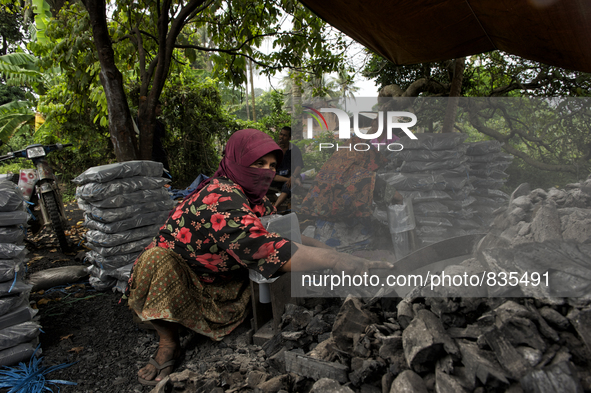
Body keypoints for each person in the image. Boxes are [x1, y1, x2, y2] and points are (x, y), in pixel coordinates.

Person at [127, 128, 384, 386]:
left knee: (281, 271)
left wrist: (328, 250)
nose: (266, 171)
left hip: (221, 279)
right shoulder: (220, 194)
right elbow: (260, 245)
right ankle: (168, 341)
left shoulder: (255, 199)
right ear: (235, 159)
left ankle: (190, 318)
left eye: (272, 165)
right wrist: (335, 261)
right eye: (258, 163)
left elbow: (280, 230)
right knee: (155, 259)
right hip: (180, 279)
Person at [270, 126, 304, 208]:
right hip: (277, 176)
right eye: (281, 134)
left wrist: (293, 176)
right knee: (266, 178)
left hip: (290, 174)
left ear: (289, 138)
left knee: (288, 185)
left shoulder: (294, 149)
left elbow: (298, 166)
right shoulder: (274, 148)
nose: (281, 137)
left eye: (284, 135)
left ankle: (275, 207)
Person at [152, 101, 170, 173]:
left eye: (160, 107)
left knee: (166, 173)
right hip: (152, 154)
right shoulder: (145, 123)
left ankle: (168, 184)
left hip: (159, 152)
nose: (160, 110)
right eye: (158, 107)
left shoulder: (160, 124)